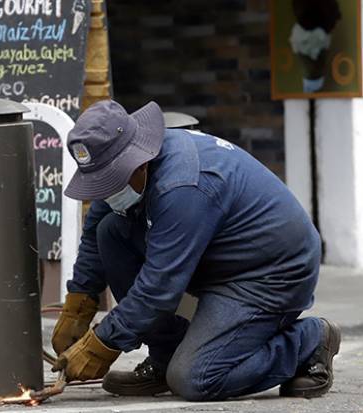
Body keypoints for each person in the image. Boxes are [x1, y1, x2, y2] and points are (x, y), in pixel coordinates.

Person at [51, 100, 340, 401]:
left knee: (195, 378)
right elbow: (96, 228)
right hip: (221, 258)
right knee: (110, 231)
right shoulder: (125, 164)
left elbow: (158, 290)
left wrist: (101, 344)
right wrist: (79, 303)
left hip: (270, 274)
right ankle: (166, 356)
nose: (105, 192)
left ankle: (309, 340)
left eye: (109, 182)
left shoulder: (182, 187)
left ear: (137, 161)